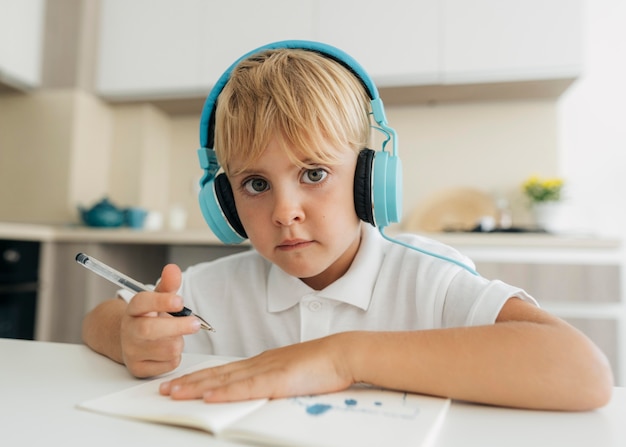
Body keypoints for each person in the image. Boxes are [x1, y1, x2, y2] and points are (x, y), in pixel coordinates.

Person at [82, 41, 613, 411]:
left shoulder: (430, 279)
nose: (284, 211)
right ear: (224, 199)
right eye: (256, 184)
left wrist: (343, 355)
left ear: (368, 179)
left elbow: (582, 372)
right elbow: (101, 318)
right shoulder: (212, 289)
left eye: (314, 173)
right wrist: (129, 335)